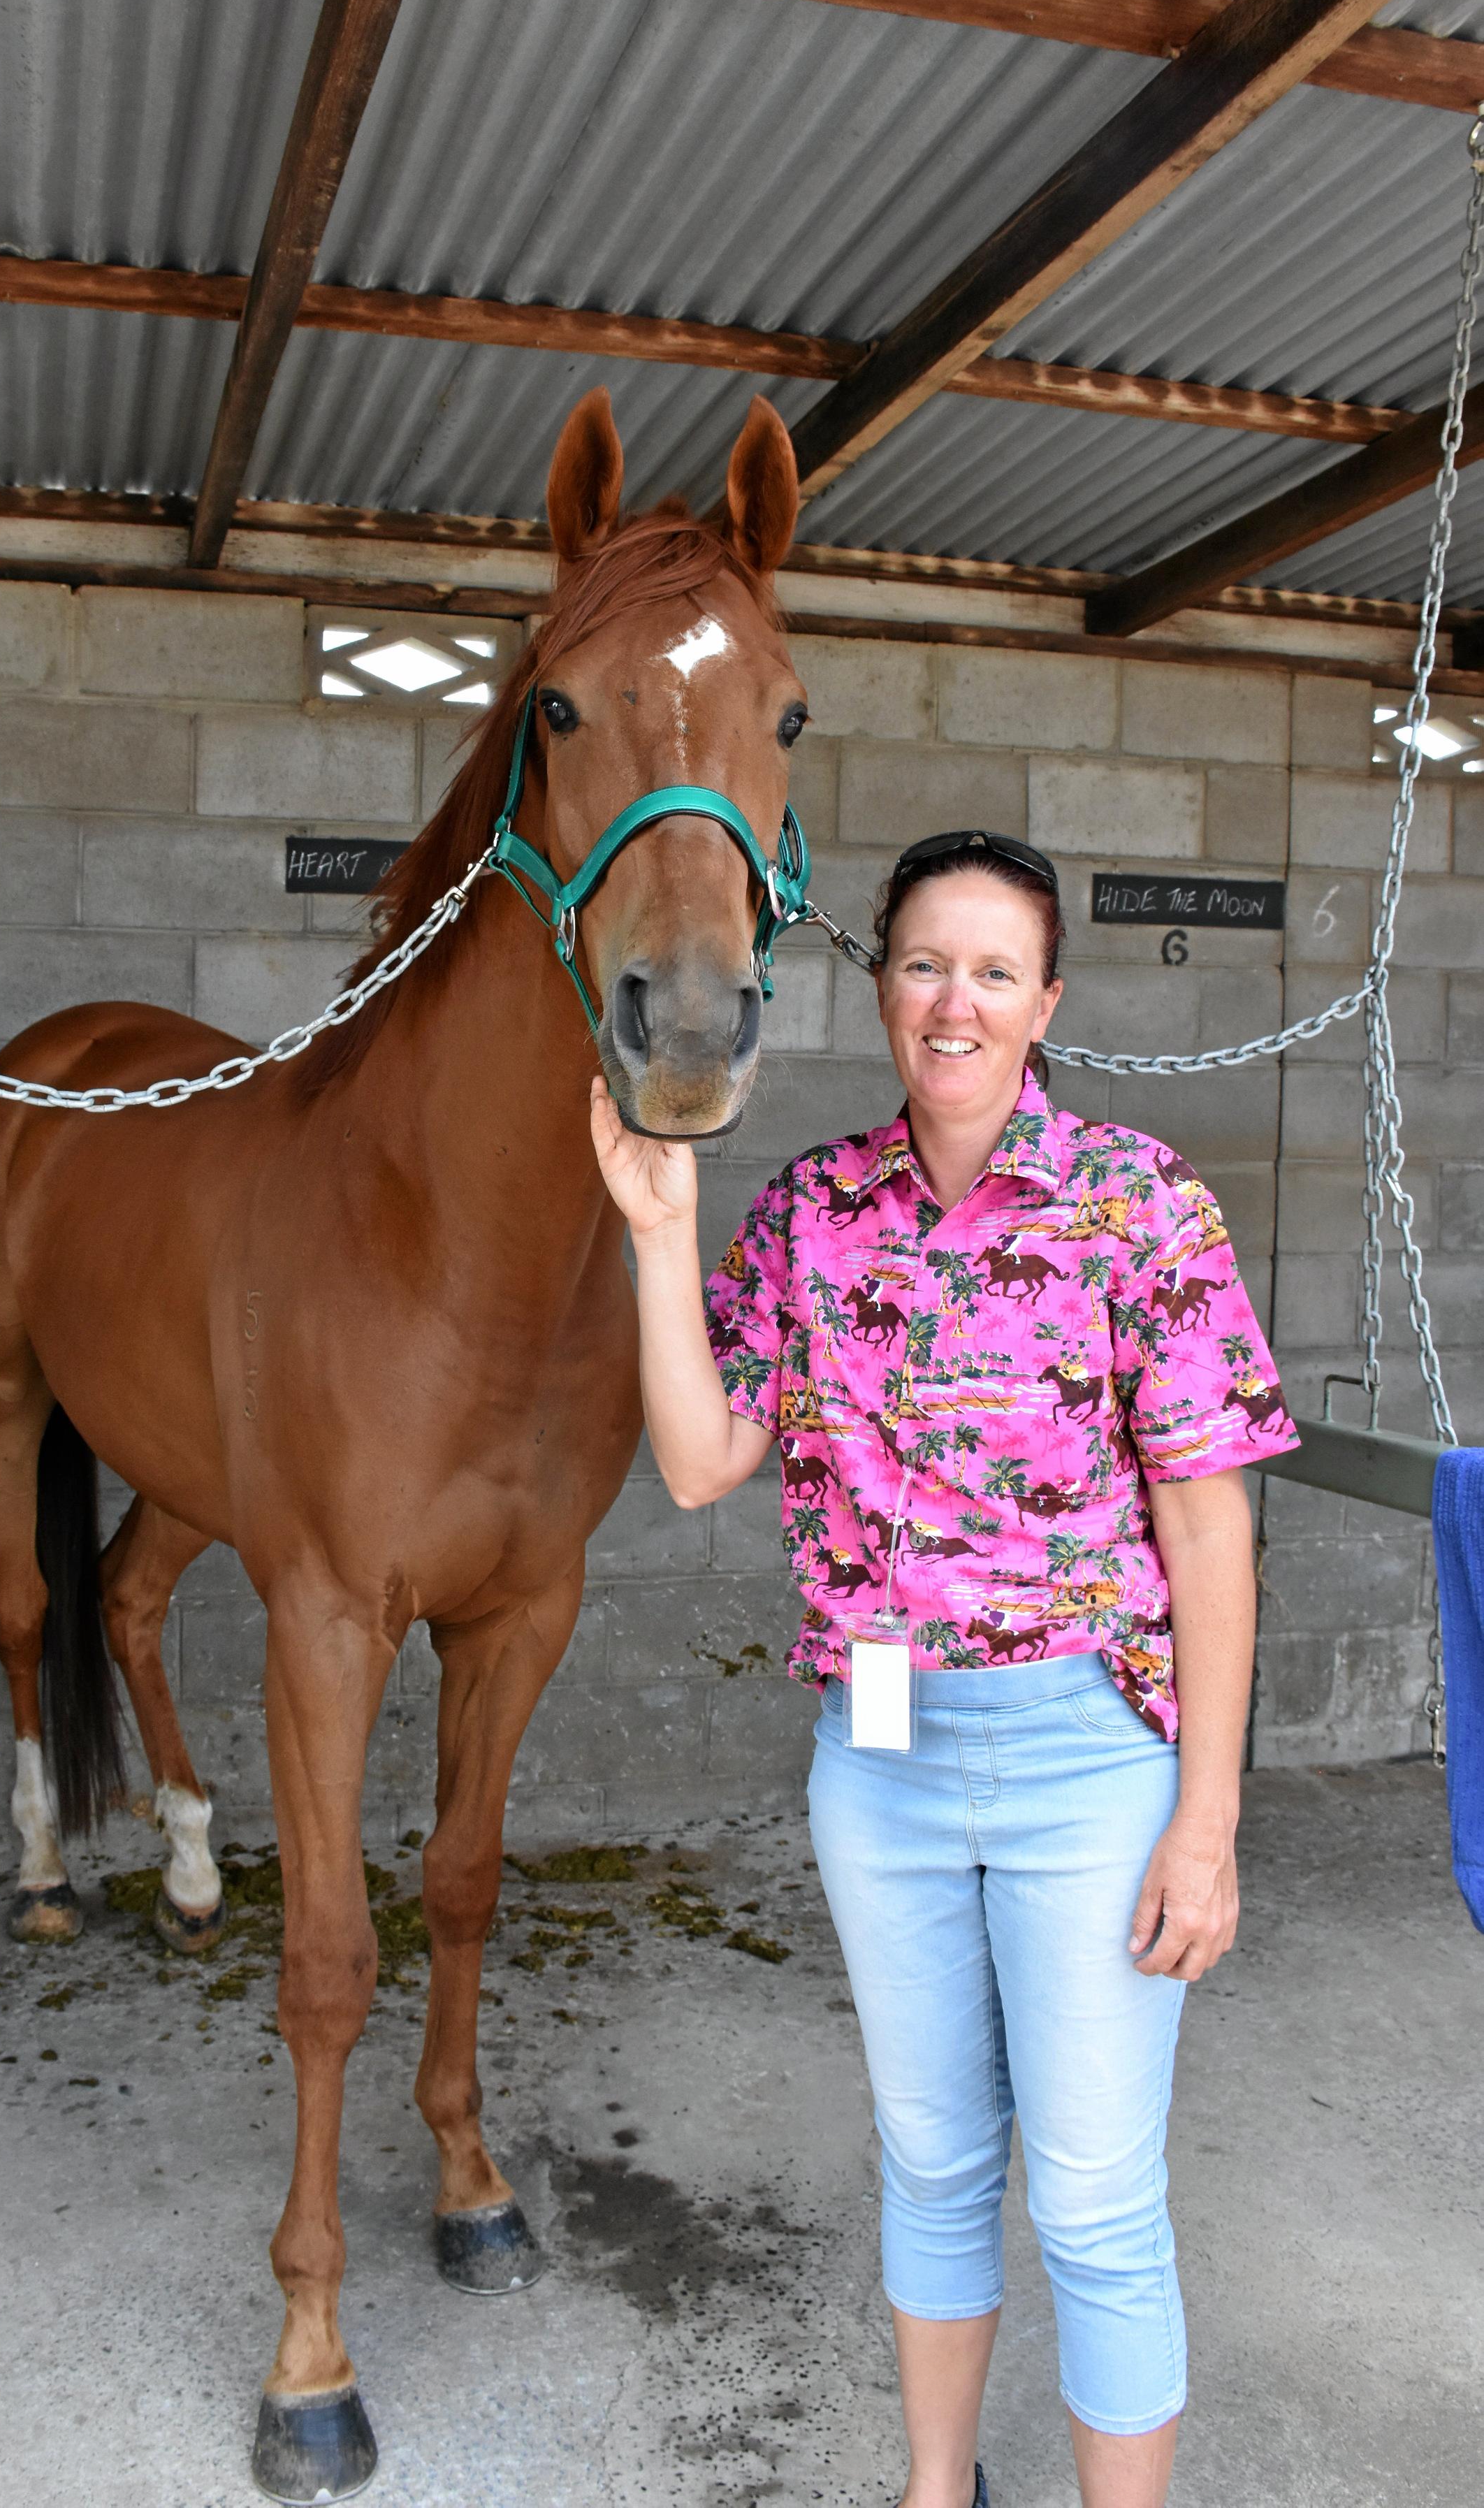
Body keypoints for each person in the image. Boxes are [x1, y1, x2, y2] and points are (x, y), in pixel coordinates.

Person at [591, 829, 1299, 2508]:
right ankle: (936, 2490)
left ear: (1045, 1000)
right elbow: (699, 1460)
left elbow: (1212, 1535)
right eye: (923, 964)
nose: (954, 1000)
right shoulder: (817, 1208)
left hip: (1091, 1758)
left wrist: (1207, 1818)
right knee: (929, 2160)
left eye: (993, 969)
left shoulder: (1142, 1204)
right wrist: (660, 1229)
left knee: (1094, 2196)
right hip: (883, 1754)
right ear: (881, 987)